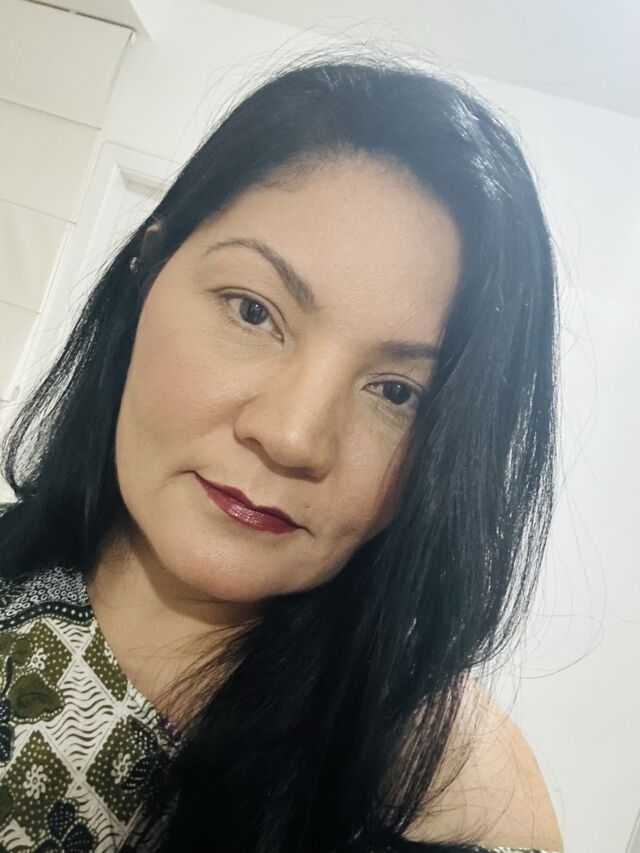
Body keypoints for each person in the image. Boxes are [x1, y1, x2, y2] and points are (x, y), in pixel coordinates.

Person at [0, 50, 564, 853]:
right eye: (253, 311)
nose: (294, 435)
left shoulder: (447, 786)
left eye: (397, 391)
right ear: (147, 271)